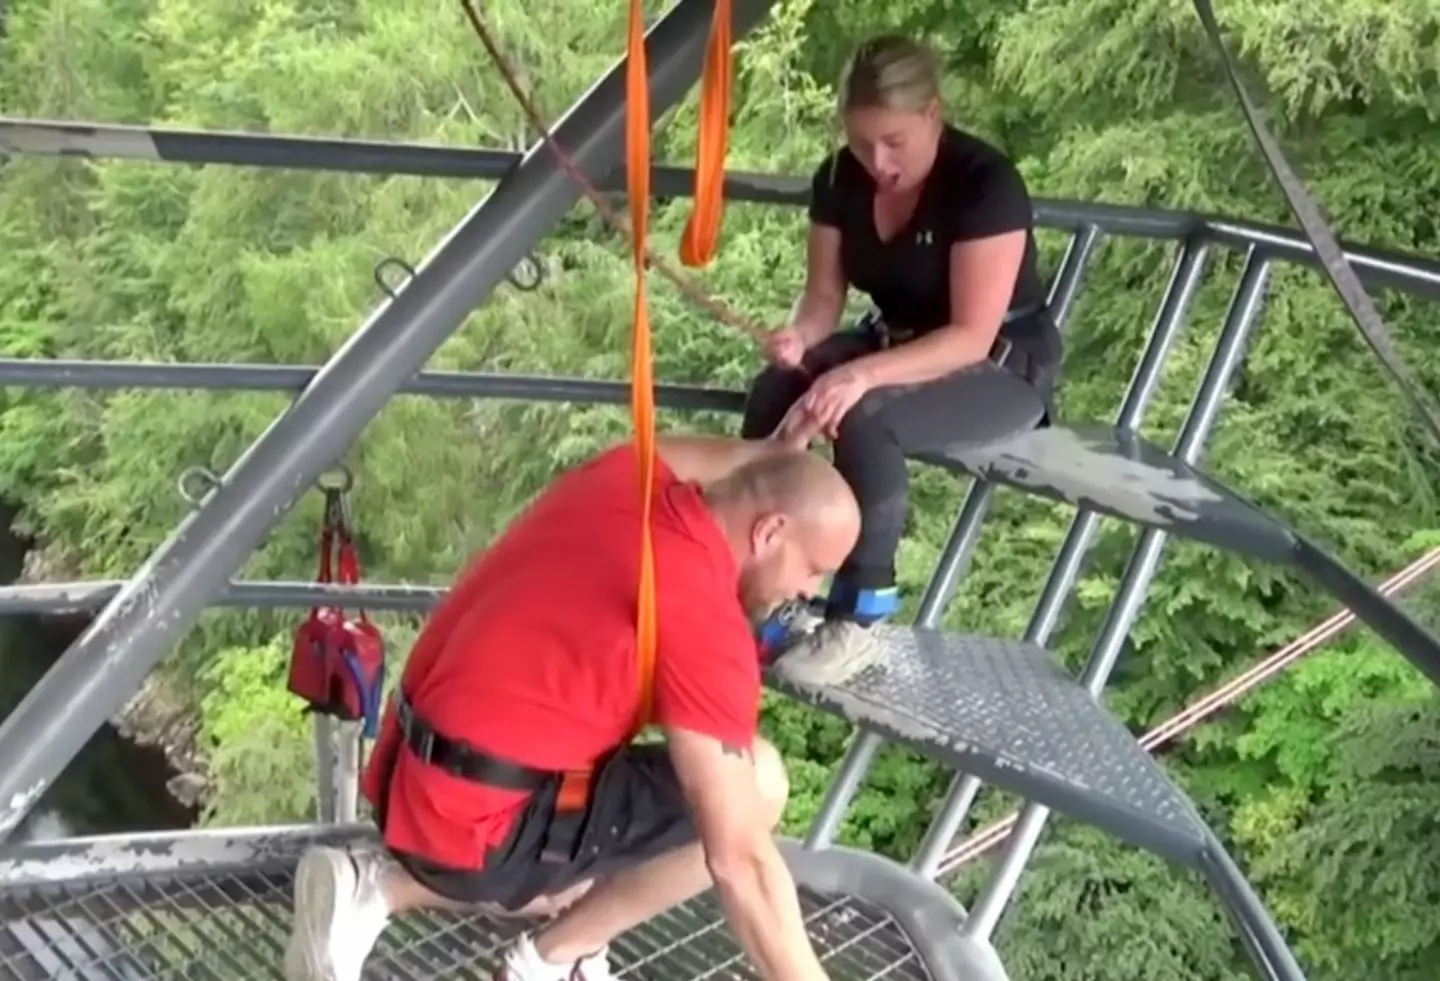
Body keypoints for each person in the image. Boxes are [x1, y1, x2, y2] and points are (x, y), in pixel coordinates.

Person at [283, 428, 861, 981]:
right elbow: (741, 863)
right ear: (769, 532)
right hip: (475, 837)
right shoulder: (703, 617)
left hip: (402, 777)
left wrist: (769, 452)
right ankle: (551, 959)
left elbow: (669, 451)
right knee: (758, 785)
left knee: (613, 868)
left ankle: (381, 885)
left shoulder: (622, 481)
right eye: (815, 569)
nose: (809, 593)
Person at [744, 34, 1063, 686]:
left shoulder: (984, 184)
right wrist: (800, 339)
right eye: (862, 145)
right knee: (778, 388)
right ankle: (758, 581)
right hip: (892, 339)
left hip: (999, 363)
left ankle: (857, 619)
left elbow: (971, 336)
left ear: (933, 115)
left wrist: (857, 373)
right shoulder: (839, 179)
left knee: (864, 414)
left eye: (894, 142)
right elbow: (823, 299)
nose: (878, 163)